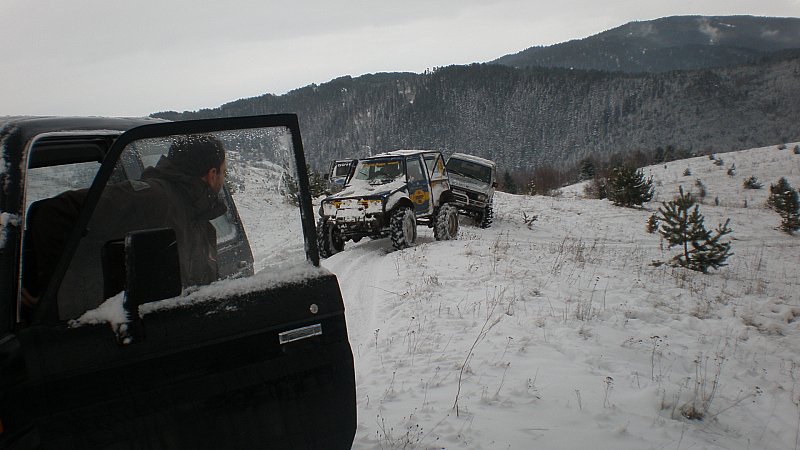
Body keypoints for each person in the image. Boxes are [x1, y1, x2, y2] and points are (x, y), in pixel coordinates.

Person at [23, 134, 228, 320]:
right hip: (128, 332)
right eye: (224, 172)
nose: (223, 178)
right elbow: (54, 212)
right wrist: (56, 294)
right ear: (212, 174)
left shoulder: (198, 220)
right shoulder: (153, 198)